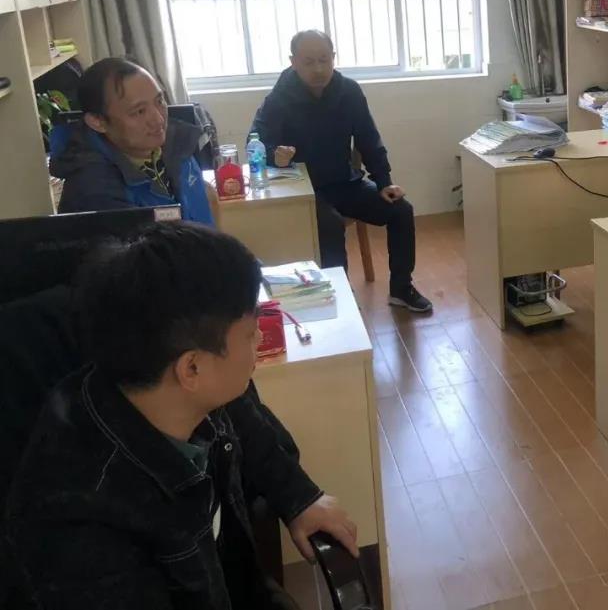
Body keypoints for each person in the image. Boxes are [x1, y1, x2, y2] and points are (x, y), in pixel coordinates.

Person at [3, 222, 358, 609]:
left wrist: (299, 496)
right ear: (192, 368)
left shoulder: (174, 391)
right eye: (250, 332)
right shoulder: (83, 528)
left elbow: (245, 420)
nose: (260, 339)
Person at [251, 29, 431, 313]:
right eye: (309, 62)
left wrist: (384, 182)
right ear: (293, 62)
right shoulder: (278, 98)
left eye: (324, 59)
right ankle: (340, 295)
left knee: (401, 210)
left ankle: (401, 288)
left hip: (345, 182)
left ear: (333, 57)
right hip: (305, 189)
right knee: (330, 225)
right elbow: (256, 143)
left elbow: (369, 139)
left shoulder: (349, 91)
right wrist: (275, 154)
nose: (318, 69)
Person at [50, 58, 213, 224]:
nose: (158, 119)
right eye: (139, 111)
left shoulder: (175, 143)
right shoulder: (96, 194)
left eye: (159, 101)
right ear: (98, 122)